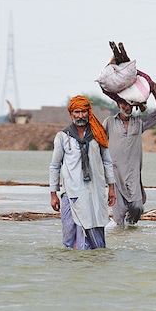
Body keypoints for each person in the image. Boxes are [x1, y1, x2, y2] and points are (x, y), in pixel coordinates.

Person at [49, 95, 116, 249]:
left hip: (94, 191)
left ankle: (96, 265)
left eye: (83, 112)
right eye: (77, 112)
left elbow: (107, 162)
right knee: (69, 235)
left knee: (96, 232)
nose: (80, 116)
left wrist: (111, 188)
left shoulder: (98, 135)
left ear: (89, 112)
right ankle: (73, 267)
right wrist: (53, 194)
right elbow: (55, 166)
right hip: (71, 193)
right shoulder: (63, 137)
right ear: (71, 114)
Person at [102, 73, 156, 226]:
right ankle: (122, 244)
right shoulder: (109, 122)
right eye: (123, 104)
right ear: (118, 105)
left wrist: (154, 91)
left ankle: (131, 234)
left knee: (137, 208)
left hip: (133, 177)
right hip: (115, 177)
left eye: (130, 104)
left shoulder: (139, 123)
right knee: (119, 222)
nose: (127, 107)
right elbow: (98, 142)